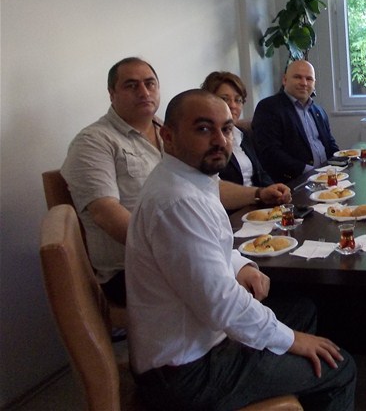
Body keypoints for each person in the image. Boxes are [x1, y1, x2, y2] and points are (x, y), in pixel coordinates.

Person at [126, 90, 356, 410]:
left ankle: (291, 388)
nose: (220, 140)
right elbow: (222, 305)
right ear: (168, 136)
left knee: (302, 309)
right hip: (185, 369)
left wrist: (240, 266)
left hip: (197, 341)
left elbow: (208, 248)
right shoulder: (178, 202)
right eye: (203, 129)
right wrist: (294, 340)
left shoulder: (188, 179)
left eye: (226, 129)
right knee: (340, 367)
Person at [62, 58, 290, 306]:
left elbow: (210, 186)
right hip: (136, 272)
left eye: (150, 83)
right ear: (111, 93)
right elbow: (105, 213)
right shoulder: (93, 142)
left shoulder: (169, 129)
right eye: (131, 85)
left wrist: (258, 193)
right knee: (287, 297)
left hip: (194, 250)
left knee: (285, 281)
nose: (144, 92)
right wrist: (214, 260)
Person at [252, 60, 339, 183]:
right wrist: (310, 172)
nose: (304, 83)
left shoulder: (319, 110)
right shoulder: (269, 107)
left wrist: (342, 162)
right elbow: (270, 152)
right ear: (284, 80)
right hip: (294, 182)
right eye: (297, 77)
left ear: (314, 84)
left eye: (309, 79)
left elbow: (330, 143)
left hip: (326, 178)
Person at [200, 71, 273, 191]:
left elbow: (261, 173)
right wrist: (258, 194)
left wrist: (275, 191)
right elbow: (212, 187)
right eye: (225, 99)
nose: (233, 105)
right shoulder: (205, 141)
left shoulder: (242, 134)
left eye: (238, 100)